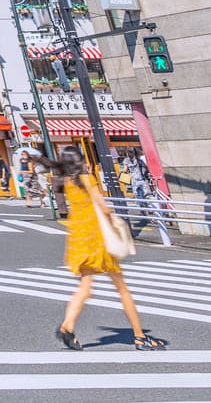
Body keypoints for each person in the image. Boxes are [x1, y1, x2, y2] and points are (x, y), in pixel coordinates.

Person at [41, 148, 164, 351]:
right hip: (97, 238)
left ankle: (67, 326)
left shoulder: (66, 182)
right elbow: (104, 208)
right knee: (122, 288)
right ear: (80, 161)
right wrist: (114, 226)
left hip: (79, 239)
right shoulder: (86, 180)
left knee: (85, 287)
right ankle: (140, 337)